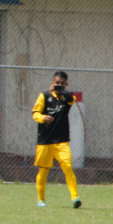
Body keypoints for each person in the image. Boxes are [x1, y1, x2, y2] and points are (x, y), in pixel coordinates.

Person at [31, 71, 81, 208]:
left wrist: (62, 92)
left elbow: (72, 99)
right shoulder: (44, 96)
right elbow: (35, 113)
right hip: (45, 140)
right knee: (43, 170)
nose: (58, 85)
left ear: (66, 84)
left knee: (68, 167)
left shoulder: (67, 98)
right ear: (52, 82)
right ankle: (40, 199)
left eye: (61, 83)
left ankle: (75, 198)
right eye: (56, 83)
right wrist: (42, 118)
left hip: (61, 140)